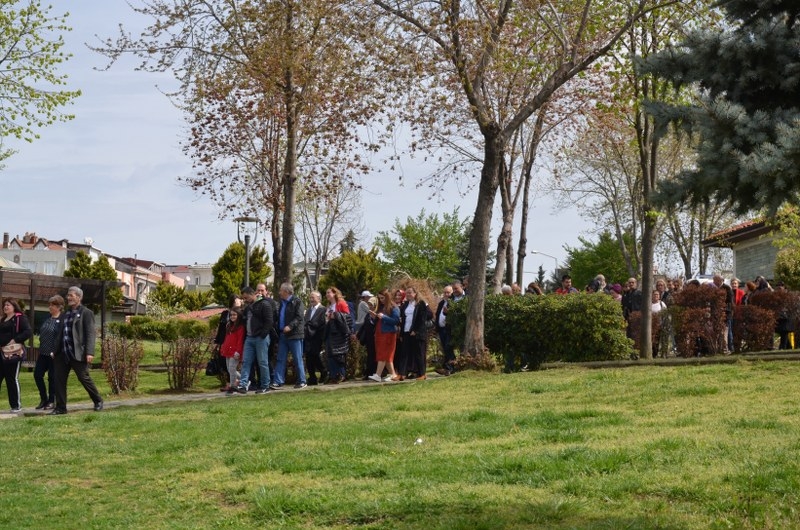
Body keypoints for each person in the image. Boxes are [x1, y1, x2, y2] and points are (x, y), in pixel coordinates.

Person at [51, 286, 103, 415]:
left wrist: (89, 352)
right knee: (59, 380)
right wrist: (55, 350)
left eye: (71, 295)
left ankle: (98, 401)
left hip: (77, 352)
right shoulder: (65, 314)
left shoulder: (86, 313)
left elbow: (90, 333)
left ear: (79, 297)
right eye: (68, 295)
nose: (68, 298)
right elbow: (60, 334)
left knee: (83, 377)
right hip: (63, 353)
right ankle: (61, 408)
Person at [235, 286, 274, 395]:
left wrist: (262, 335)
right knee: (246, 361)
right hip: (249, 338)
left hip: (260, 338)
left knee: (262, 362)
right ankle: (243, 384)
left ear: (252, 294)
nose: (245, 300)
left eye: (246, 298)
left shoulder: (264, 304)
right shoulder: (248, 307)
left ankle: (265, 385)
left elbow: (269, 321)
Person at [272, 283, 306, 389]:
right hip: (283, 335)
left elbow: (299, 317)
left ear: (286, 291)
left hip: (294, 335)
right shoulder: (281, 303)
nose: (279, 292)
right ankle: (278, 381)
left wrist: (290, 326)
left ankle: (302, 381)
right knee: (280, 358)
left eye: (281, 290)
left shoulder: (297, 302)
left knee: (297, 358)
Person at [0, 298, 32, 413]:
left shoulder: (19, 318)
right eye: (4, 305)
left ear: (14, 306)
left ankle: (16, 406)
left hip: (13, 353)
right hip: (1, 353)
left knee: (12, 379)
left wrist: (15, 340)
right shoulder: (2, 319)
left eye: (8, 305)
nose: (5, 307)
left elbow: (28, 332)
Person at [34, 295, 64, 410]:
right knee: (37, 375)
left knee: (52, 378)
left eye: (52, 305)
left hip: (54, 354)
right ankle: (44, 399)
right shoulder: (47, 318)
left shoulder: (62, 320)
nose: (50, 307)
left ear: (59, 307)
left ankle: (52, 401)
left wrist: (56, 351)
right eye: (50, 305)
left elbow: (62, 338)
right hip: (43, 353)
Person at [368, 289, 401, 382]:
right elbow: (379, 321)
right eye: (379, 298)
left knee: (383, 354)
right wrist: (375, 317)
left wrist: (383, 317)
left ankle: (378, 375)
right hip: (380, 333)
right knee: (386, 356)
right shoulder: (382, 307)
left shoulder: (394, 307)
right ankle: (393, 374)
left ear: (387, 297)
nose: (381, 300)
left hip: (388, 334)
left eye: (382, 298)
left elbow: (396, 321)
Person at [399, 286, 430, 380]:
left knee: (419, 353)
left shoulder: (420, 304)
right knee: (404, 353)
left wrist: (415, 330)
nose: (408, 294)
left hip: (417, 333)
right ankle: (402, 373)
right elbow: (403, 319)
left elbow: (422, 319)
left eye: (410, 293)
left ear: (415, 293)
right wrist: (401, 334)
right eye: (407, 293)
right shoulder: (405, 304)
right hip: (406, 331)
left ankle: (422, 374)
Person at [212, 294, 242, 389]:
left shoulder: (241, 318)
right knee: (227, 366)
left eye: (238, 302)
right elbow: (221, 329)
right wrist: (217, 342)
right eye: (235, 302)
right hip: (225, 343)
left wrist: (238, 350)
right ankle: (241, 380)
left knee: (232, 367)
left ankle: (232, 385)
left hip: (235, 346)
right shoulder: (225, 315)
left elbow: (240, 337)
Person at [324, 287, 352, 384]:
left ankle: (341, 374)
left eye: (329, 292)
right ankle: (333, 375)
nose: (327, 295)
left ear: (334, 293)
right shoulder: (329, 306)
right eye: (326, 293)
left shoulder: (341, 303)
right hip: (330, 333)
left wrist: (335, 315)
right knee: (330, 354)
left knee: (338, 355)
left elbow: (348, 318)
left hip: (339, 334)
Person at [303, 290, 327, 385]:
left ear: (319, 298)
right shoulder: (309, 310)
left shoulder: (323, 309)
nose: (311, 299)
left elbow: (322, 323)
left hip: (317, 336)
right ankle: (312, 377)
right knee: (308, 357)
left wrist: (312, 326)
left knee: (315, 355)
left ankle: (323, 371)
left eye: (313, 297)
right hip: (308, 336)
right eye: (310, 297)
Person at [220, 307, 245, 395]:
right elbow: (227, 338)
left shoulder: (241, 327)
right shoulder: (229, 326)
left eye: (234, 315)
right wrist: (223, 348)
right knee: (230, 369)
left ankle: (233, 387)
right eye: (231, 315)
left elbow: (240, 340)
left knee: (232, 368)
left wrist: (238, 351)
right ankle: (244, 380)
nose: (232, 317)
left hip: (235, 351)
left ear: (239, 315)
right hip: (228, 350)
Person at [434, 284, 456, 375]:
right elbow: (437, 315)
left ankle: (451, 367)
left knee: (448, 347)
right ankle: (447, 367)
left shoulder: (453, 302)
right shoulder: (441, 303)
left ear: (452, 293)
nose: (446, 294)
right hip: (441, 329)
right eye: (445, 292)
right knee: (445, 348)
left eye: (448, 292)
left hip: (449, 329)